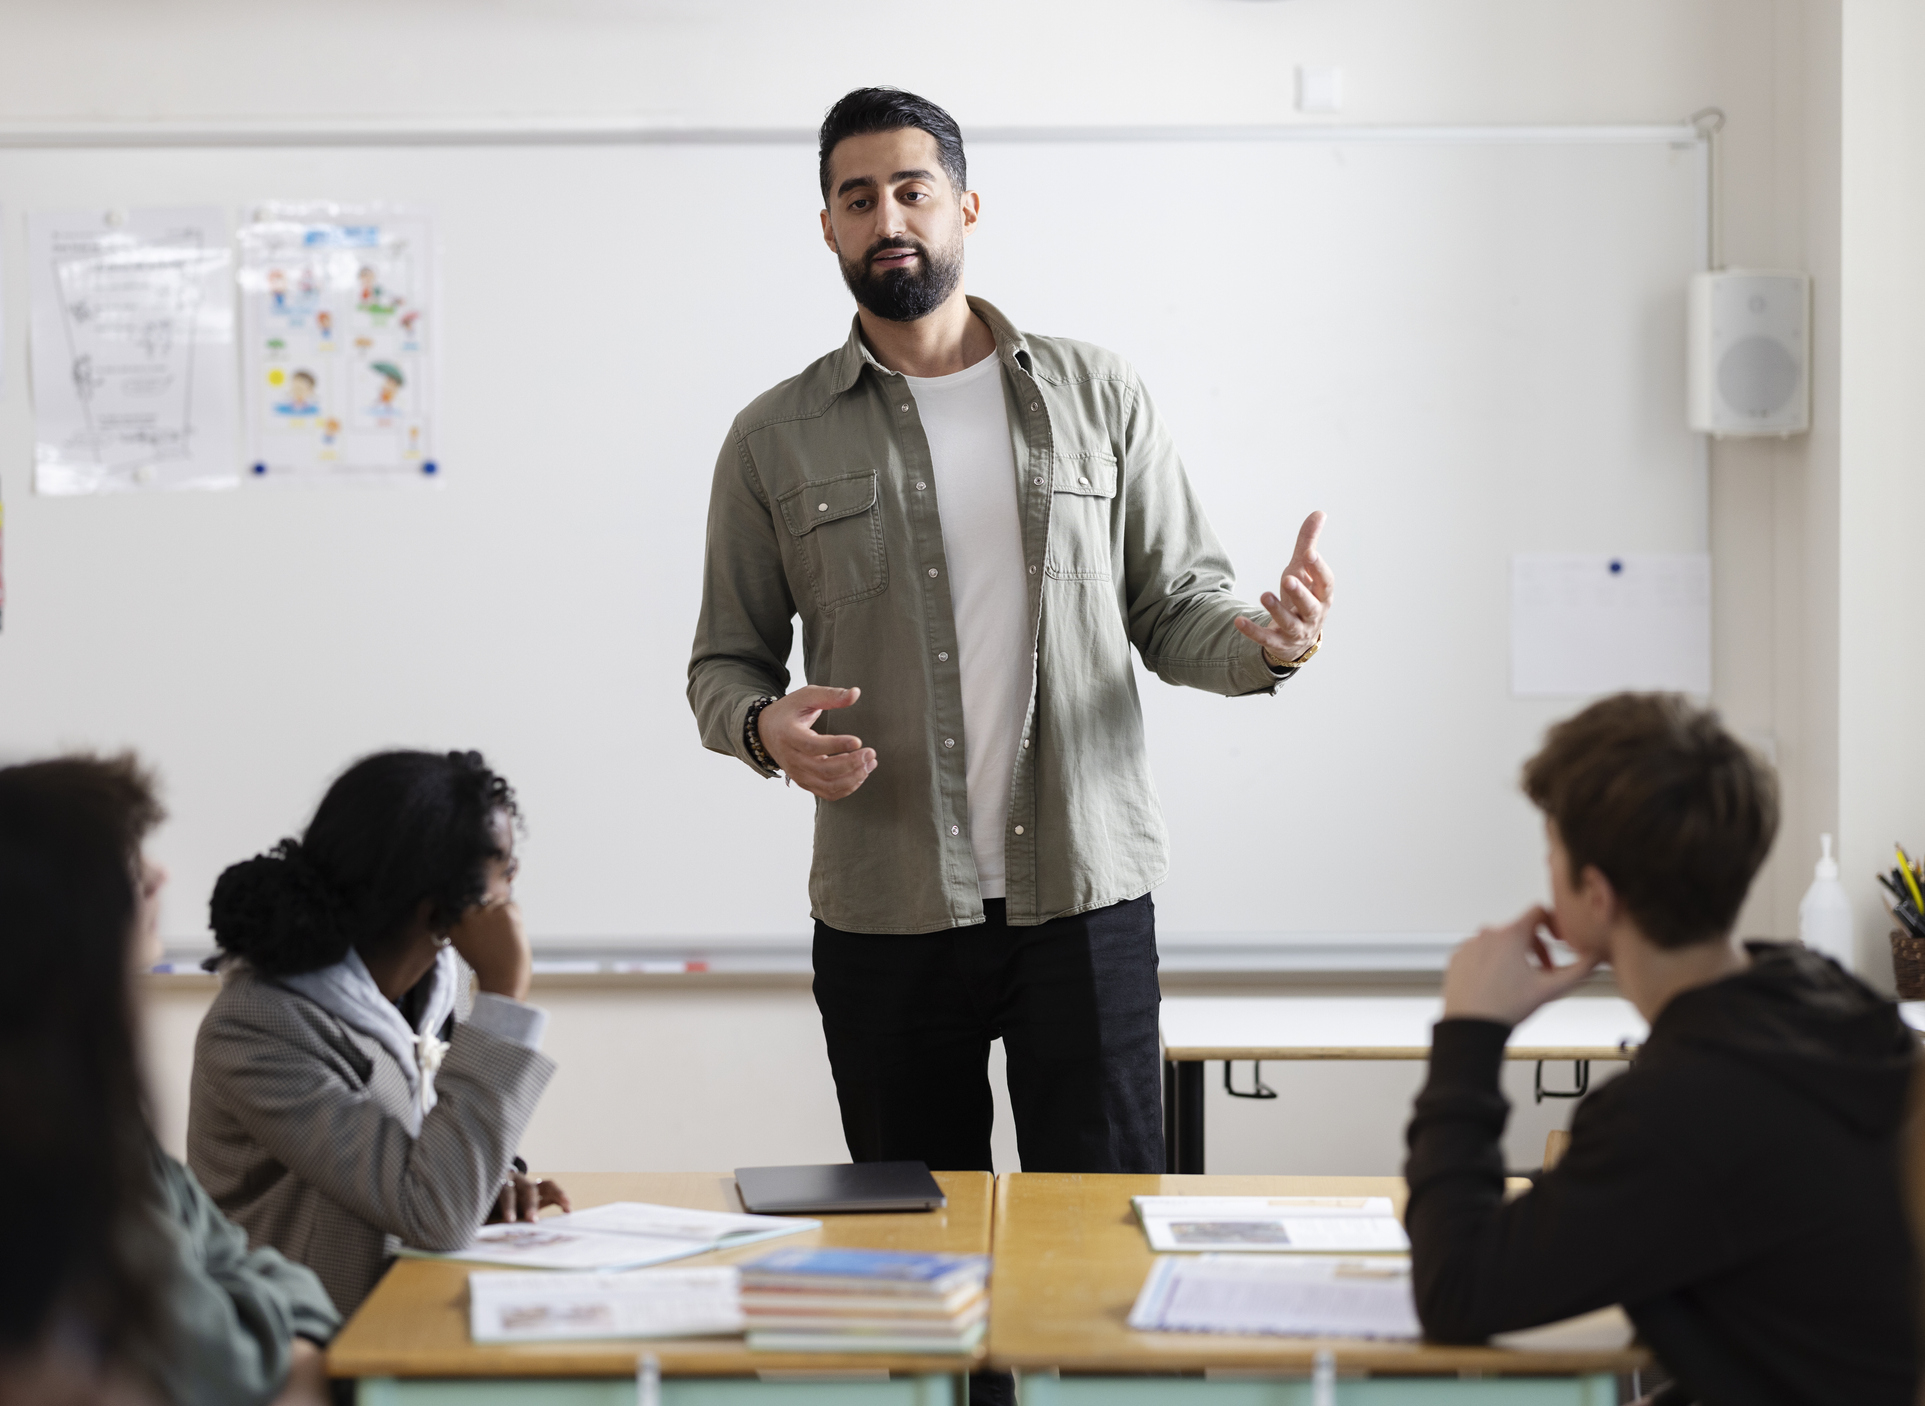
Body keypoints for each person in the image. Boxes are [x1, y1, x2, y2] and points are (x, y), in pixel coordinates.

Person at [687, 87, 1336, 1179]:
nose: (887, 216)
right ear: (830, 228)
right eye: (858, 198)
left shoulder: (1098, 394)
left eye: (912, 188)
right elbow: (724, 662)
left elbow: (1178, 606)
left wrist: (1268, 642)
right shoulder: (772, 438)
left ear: (965, 205)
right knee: (915, 1252)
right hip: (887, 909)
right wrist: (764, 727)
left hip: (1083, 897)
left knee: (1103, 1250)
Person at [1404, 693, 1919, 1406]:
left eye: (1551, 852)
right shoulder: (1819, 996)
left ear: (1595, 892)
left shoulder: (1676, 1111)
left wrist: (1470, 1032)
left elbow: (1456, 1289)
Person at [0, 757, 340, 1406]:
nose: (157, 876)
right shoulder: (0, 1169)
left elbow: (250, 1286)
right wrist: (294, 1358)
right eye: (122, 865)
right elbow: (224, 1366)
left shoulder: (74, 1125)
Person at [188, 749, 564, 1316]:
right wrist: (505, 999)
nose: (514, 885)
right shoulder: (259, 1025)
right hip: (302, 1349)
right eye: (504, 868)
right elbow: (431, 1211)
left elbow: (431, 1136)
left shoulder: (437, 982)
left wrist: (494, 1182)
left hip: (401, 1306)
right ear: (441, 896)